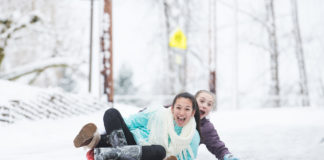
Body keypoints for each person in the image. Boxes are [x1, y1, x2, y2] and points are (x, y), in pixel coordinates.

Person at [73, 92, 201, 160]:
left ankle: (97, 145)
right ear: (172, 108)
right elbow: (130, 122)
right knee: (111, 113)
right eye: (178, 107)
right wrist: (107, 133)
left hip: (152, 156)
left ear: (193, 112)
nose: (182, 113)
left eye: (187, 109)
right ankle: (105, 150)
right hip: (130, 143)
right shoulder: (157, 113)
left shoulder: (192, 136)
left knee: (160, 150)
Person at [195, 90, 239, 160]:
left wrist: (227, 156)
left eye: (209, 104)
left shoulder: (206, 128)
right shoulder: (177, 115)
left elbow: (217, 146)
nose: (205, 106)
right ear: (192, 101)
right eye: (202, 101)